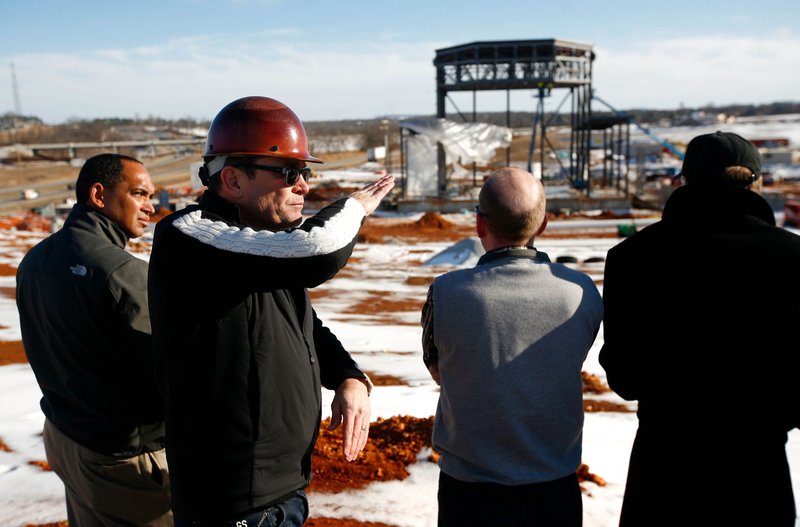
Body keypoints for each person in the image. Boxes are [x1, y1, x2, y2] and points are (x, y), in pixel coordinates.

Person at [148, 95, 395, 526]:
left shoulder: (262, 244)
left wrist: (347, 375)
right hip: (233, 501)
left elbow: (300, 322)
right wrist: (353, 206)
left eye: (305, 173)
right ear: (233, 179)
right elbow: (318, 252)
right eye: (289, 173)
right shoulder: (190, 236)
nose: (303, 186)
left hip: (284, 487)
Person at [600, 131, 800, 526]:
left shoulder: (632, 258)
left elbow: (624, 377)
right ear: (756, 183)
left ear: (683, 180)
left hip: (665, 477)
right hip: (759, 476)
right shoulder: (792, 258)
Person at [421, 167, 604, 526]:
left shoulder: (446, 293)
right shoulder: (581, 292)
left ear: (479, 224)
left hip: (469, 492)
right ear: (544, 224)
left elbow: (438, 369)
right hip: (554, 489)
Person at [16, 153, 171, 526]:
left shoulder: (35, 260)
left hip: (66, 438)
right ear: (98, 195)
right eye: (138, 193)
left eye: (151, 195)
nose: (150, 206)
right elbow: (171, 372)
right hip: (124, 458)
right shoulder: (124, 273)